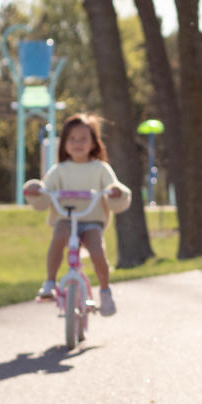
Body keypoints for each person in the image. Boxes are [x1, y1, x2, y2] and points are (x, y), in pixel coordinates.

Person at [23, 113, 132, 316]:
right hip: (66, 219)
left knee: (97, 252)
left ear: (94, 143)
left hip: (92, 221)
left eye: (83, 139)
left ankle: (105, 291)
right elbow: (45, 190)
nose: (77, 143)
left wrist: (116, 192)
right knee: (58, 236)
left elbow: (113, 188)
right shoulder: (59, 171)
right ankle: (50, 282)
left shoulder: (100, 169)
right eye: (72, 139)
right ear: (64, 144)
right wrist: (36, 190)